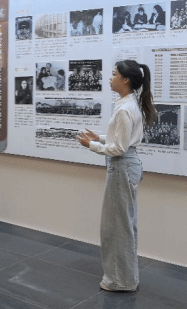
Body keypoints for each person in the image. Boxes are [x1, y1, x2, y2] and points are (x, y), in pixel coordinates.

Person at [77, 60, 156, 292]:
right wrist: (100, 138)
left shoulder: (124, 109)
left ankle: (119, 281)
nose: (110, 78)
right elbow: (122, 139)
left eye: (114, 74)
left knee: (115, 227)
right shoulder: (129, 104)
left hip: (122, 167)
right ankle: (127, 278)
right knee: (124, 224)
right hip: (127, 166)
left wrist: (92, 145)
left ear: (125, 80)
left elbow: (120, 148)